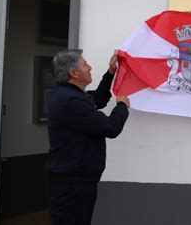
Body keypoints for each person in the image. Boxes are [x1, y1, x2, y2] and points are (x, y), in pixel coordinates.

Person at [45, 49, 130, 225]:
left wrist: (111, 73)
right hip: (71, 185)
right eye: (85, 65)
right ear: (74, 73)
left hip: (76, 181)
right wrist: (122, 106)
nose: (90, 67)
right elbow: (111, 127)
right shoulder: (70, 101)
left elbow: (98, 99)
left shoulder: (71, 95)